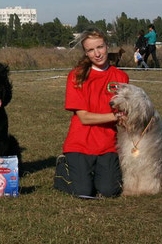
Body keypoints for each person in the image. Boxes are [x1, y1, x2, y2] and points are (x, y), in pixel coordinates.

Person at [53, 28, 128, 197]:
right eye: (91, 50)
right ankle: (63, 168)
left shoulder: (122, 77)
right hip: (80, 144)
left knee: (110, 191)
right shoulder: (76, 76)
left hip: (108, 145)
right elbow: (84, 118)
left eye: (100, 47)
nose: (97, 53)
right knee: (84, 192)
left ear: (107, 46)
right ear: (85, 53)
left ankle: (94, 173)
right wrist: (115, 117)